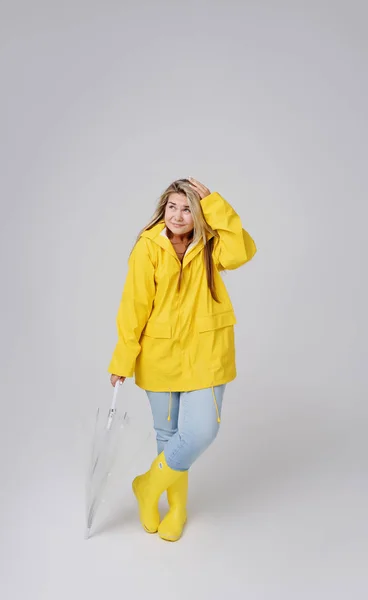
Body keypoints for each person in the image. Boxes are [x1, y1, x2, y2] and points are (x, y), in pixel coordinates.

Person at [108, 177, 256, 541]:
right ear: (163, 208)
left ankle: (147, 486)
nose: (178, 215)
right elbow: (134, 306)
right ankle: (176, 510)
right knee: (168, 436)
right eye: (172, 206)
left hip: (206, 353)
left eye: (187, 208)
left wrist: (215, 203)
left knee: (200, 431)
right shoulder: (148, 247)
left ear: (199, 212)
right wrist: (123, 359)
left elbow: (243, 251)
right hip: (159, 355)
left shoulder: (211, 244)